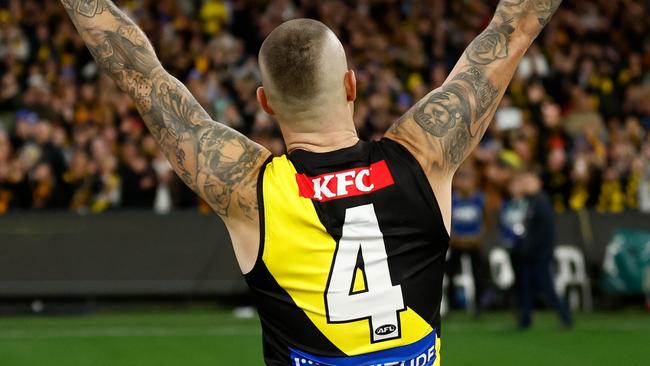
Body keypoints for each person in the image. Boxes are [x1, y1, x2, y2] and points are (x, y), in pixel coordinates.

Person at [61, 0, 562, 364]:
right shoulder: (424, 156)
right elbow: (515, 25)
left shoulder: (247, 190)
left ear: (264, 102)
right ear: (351, 85)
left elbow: (141, 77)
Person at [514, 171, 572, 329]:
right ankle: (525, 318)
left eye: (529, 181)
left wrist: (532, 248)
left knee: (546, 287)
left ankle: (565, 316)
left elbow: (545, 232)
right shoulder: (532, 202)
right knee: (527, 288)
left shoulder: (541, 203)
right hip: (530, 254)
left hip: (539, 255)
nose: (525, 185)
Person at [447, 162, 489, 314]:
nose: (464, 182)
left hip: (474, 244)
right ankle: (451, 306)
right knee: (450, 275)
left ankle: (479, 305)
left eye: (468, 178)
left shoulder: (479, 198)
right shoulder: (451, 198)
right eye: (461, 178)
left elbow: (486, 221)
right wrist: (454, 238)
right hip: (457, 244)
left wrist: (479, 237)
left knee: (479, 275)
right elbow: (448, 220)